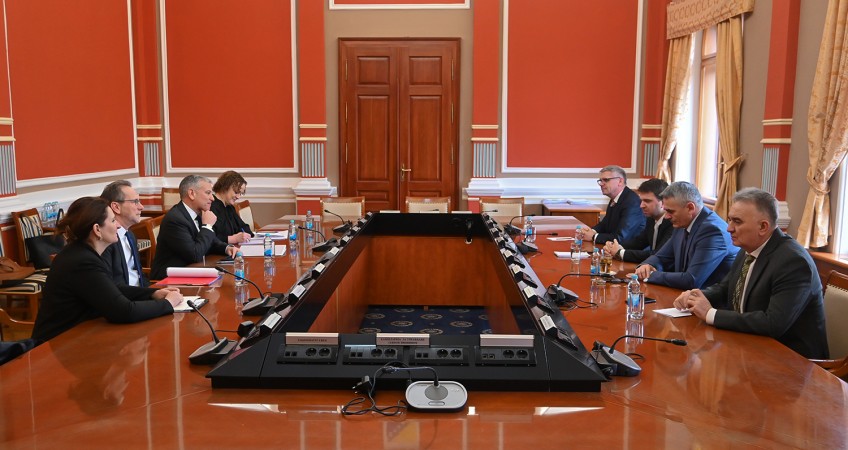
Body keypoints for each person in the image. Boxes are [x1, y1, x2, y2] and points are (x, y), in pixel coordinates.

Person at [673, 188, 828, 359]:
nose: (729, 229)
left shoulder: (793, 262)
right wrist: (696, 297)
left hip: (792, 361)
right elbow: (726, 288)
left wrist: (711, 314)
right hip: (749, 345)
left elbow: (773, 323)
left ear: (763, 227)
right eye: (729, 220)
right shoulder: (749, 246)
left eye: (737, 222)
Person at [32, 197, 183, 342]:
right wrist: (168, 304)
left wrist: (153, 293)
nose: (118, 225)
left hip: (79, 338)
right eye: (112, 220)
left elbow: (110, 288)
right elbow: (123, 312)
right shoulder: (82, 261)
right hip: (56, 345)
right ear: (97, 229)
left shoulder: (83, 252)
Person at [635, 181, 737, 290]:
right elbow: (661, 257)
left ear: (690, 208)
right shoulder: (682, 223)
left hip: (709, 302)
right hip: (684, 296)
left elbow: (692, 280)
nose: (666, 217)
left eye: (670, 211)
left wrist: (650, 275)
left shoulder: (712, 231)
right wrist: (646, 266)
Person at [151, 175, 237, 280]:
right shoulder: (175, 219)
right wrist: (207, 226)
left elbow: (211, 241)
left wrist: (226, 248)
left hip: (191, 272)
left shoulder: (198, 214)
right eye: (208, 193)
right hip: (169, 280)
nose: (212, 198)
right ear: (192, 194)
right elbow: (195, 255)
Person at [604, 178, 672, 263]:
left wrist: (620, 253)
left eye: (647, 201)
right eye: (641, 201)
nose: (641, 206)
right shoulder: (651, 219)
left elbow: (657, 254)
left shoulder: (673, 223)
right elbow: (639, 242)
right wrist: (616, 247)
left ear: (663, 202)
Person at [100, 180, 148, 287]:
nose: (141, 207)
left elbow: (139, 274)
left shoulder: (130, 235)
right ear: (116, 207)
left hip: (140, 295)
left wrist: (154, 293)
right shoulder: (105, 241)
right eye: (135, 201)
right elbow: (113, 286)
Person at [581, 165, 644, 245]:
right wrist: (591, 231)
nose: (601, 184)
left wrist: (594, 237)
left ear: (620, 181)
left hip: (630, 251)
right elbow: (605, 225)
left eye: (606, 180)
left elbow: (621, 237)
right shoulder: (615, 198)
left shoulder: (632, 202)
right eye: (600, 180)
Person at [211, 170, 253, 245]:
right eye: (236, 192)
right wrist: (233, 239)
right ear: (225, 187)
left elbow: (244, 227)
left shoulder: (229, 207)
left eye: (241, 193)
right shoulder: (210, 206)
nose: (238, 197)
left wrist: (244, 234)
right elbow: (209, 237)